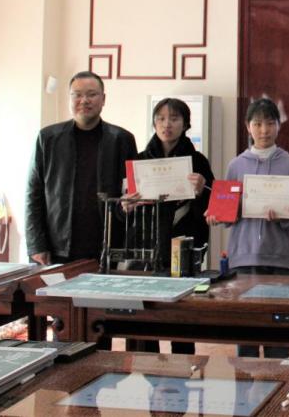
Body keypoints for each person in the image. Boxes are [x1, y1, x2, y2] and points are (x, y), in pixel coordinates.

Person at [208, 97, 289, 358]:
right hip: (243, 258)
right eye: (257, 124)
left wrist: (283, 216)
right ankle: (246, 382)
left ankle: (277, 381)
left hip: (281, 259)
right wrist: (218, 215)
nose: (264, 130)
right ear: (248, 127)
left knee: (279, 332)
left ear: (278, 125)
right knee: (247, 330)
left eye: (269, 123)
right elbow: (226, 211)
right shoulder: (236, 165)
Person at [25, 71, 137, 265]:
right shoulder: (48, 138)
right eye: (77, 95)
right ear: (70, 98)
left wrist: (125, 208)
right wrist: (36, 245)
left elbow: (130, 193)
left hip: (107, 247)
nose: (84, 100)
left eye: (92, 94)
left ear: (103, 99)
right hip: (57, 246)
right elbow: (33, 194)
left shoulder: (122, 140)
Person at [130, 97, 214, 355]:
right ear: (154, 123)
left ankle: (184, 366)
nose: (167, 124)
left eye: (175, 119)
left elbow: (212, 208)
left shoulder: (198, 161)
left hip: (184, 249)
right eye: (161, 118)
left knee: (181, 316)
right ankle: (150, 367)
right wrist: (127, 206)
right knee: (147, 316)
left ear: (185, 124)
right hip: (148, 248)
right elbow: (127, 211)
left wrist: (202, 190)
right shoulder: (140, 161)